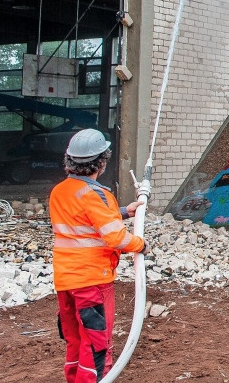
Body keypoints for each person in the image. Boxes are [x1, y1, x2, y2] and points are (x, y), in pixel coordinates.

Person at [49, 129, 148, 382]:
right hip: (92, 281)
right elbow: (115, 238)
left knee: (75, 340)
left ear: (69, 160)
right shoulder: (97, 194)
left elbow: (82, 220)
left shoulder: (59, 191)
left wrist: (125, 211)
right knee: (96, 344)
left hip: (65, 281)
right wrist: (141, 245)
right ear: (102, 162)